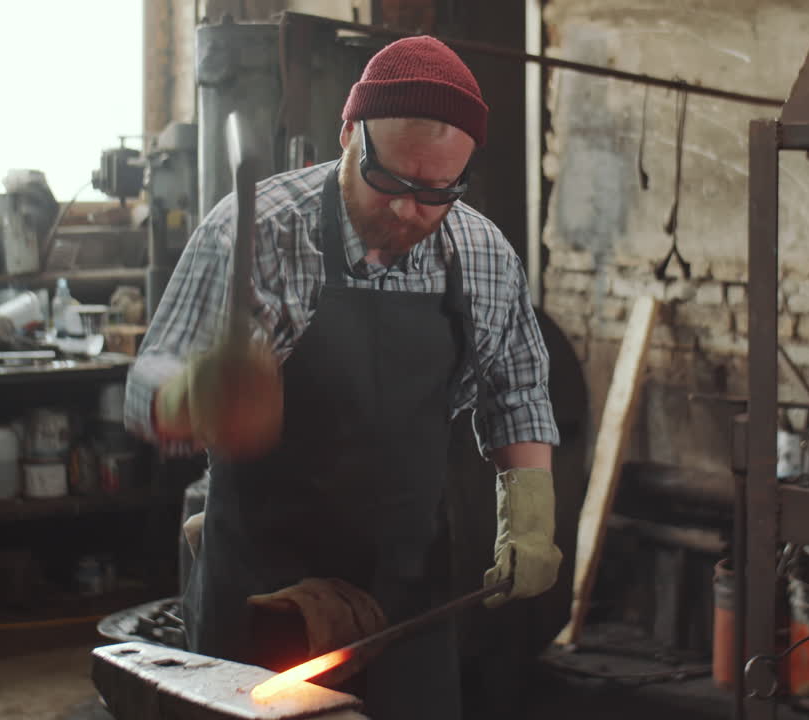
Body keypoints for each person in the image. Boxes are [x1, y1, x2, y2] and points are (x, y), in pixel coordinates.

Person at [124, 35, 561, 719]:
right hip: (262, 596)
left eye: (436, 192)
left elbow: (518, 390)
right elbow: (147, 383)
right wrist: (189, 396)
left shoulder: (481, 253)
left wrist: (528, 515)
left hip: (406, 599)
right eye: (390, 181)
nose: (408, 210)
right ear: (349, 135)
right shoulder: (262, 231)